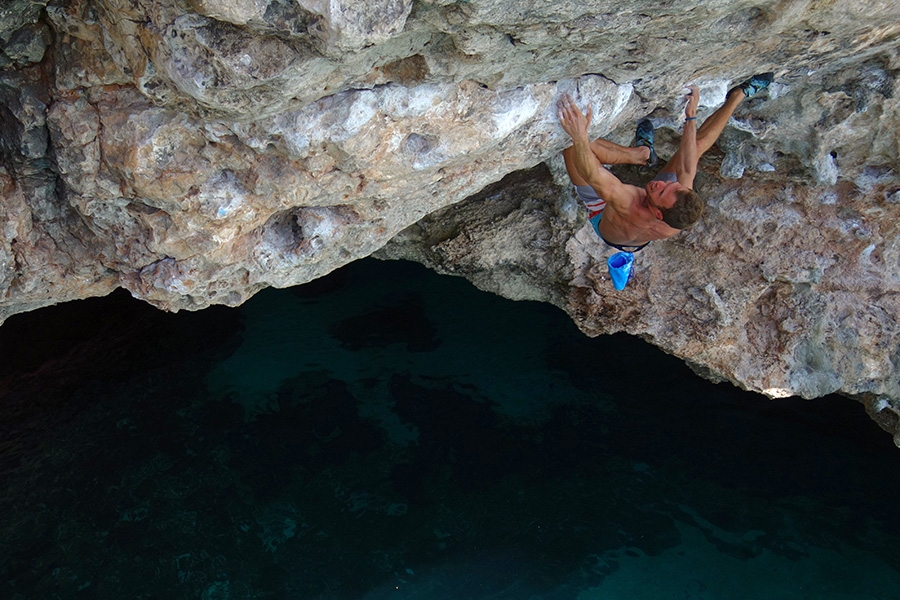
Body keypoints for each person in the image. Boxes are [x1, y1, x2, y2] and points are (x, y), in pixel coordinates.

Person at [558, 74, 773, 252]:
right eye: (672, 185)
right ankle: (738, 95)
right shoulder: (679, 208)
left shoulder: (628, 202)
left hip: (604, 215)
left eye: (661, 191)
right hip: (641, 230)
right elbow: (687, 167)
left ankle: (638, 155)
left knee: (572, 142)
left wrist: (579, 136)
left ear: (659, 214)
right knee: (695, 147)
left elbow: (593, 173)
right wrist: (691, 116)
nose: (662, 182)